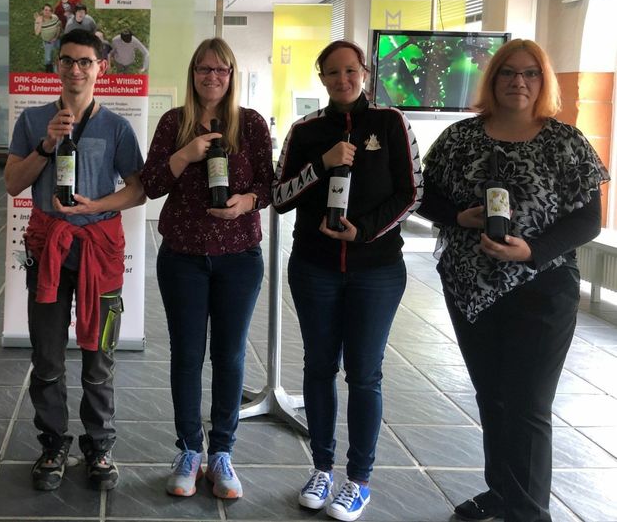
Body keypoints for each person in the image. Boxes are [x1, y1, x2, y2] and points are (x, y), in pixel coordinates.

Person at [418, 39, 607, 522]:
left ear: (544, 82)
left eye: (530, 74)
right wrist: (460, 217)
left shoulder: (565, 141)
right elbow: (423, 197)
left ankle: (528, 511)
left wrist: (532, 251)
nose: (518, 82)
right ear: (493, 79)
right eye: (507, 73)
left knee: (527, 404)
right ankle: (501, 492)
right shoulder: (460, 139)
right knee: (493, 396)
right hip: (471, 291)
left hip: (543, 291)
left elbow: (588, 220)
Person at [272, 40, 422, 521]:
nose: (343, 79)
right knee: (318, 366)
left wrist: (366, 231)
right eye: (332, 73)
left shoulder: (391, 123)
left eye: (350, 70)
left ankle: (358, 480)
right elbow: (278, 197)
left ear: (365, 72)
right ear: (321, 78)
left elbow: (412, 192)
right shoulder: (306, 130)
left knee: (364, 373)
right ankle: (321, 468)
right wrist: (321, 164)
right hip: (314, 268)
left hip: (375, 270)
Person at [4, 28, 145, 492]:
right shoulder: (33, 120)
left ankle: (100, 445)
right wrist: (46, 145)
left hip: (100, 255)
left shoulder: (118, 127)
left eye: (85, 61)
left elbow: (138, 188)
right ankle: (52, 443)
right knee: (46, 356)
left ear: (101, 67)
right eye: (67, 61)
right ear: (57, 66)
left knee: (99, 354)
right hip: (48, 252)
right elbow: (11, 183)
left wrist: (96, 206)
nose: (76, 69)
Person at [140, 38, 272, 499]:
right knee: (186, 355)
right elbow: (152, 184)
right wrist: (186, 154)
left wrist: (246, 202)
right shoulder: (174, 123)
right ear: (192, 73)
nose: (211, 76)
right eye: (203, 69)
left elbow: (269, 185)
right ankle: (188, 449)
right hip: (182, 257)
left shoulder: (250, 124)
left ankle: (222, 452)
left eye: (220, 69)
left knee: (231, 356)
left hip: (239, 257)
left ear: (232, 75)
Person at [34, 3, 62, 72]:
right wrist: (40, 22)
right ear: (42, 11)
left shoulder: (54, 17)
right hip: (47, 42)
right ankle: (49, 71)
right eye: (46, 10)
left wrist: (56, 36)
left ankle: (59, 64)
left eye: (50, 10)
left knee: (63, 51)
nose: (47, 12)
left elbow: (59, 26)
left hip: (56, 39)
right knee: (48, 59)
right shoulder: (38, 20)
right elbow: (37, 33)